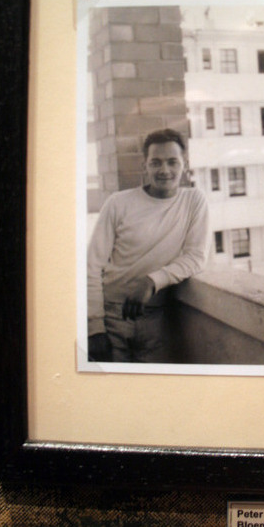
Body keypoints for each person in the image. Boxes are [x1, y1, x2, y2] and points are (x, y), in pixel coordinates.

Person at [87, 128, 210, 362]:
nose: (164, 170)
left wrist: (151, 281)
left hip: (159, 321)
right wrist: (95, 329)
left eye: (173, 162)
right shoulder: (118, 203)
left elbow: (196, 257)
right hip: (112, 317)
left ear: (185, 164)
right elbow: (91, 267)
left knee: (152, 392)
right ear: (145, 165)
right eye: (156, 163)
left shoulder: (194, 201)